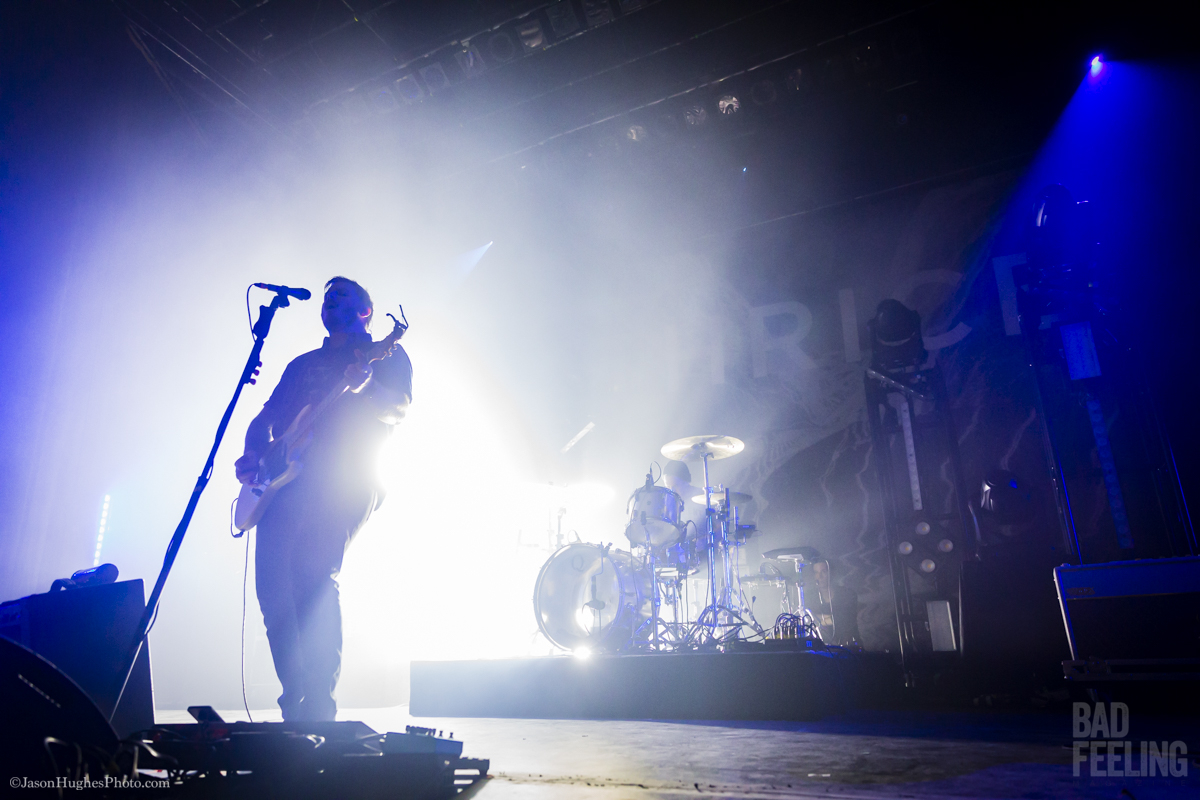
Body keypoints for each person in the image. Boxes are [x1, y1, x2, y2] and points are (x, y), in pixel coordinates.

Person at [234, 277, 412, 721]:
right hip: (285, 482)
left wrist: (366, 386)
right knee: (271, 589)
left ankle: (318, 707)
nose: (331, 300)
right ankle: (294, 697)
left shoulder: (384, 354)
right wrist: (254, 453)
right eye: (328, 297)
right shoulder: (302, 365)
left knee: (314, 577)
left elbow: (398, 409)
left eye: (342, 296)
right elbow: (265, 418)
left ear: (366, 311)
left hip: (346, 480)